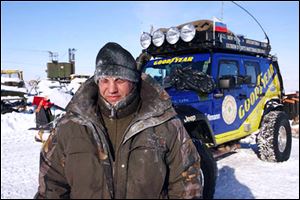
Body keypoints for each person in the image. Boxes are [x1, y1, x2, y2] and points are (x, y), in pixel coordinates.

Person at [35, 42, 203, 199]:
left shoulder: (164, 123)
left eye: (120, 80)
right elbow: (51, 184)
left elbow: (186, 183)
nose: (112, 89)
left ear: (133, 81)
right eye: (105, 80)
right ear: (97, 81)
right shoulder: (70, 126)